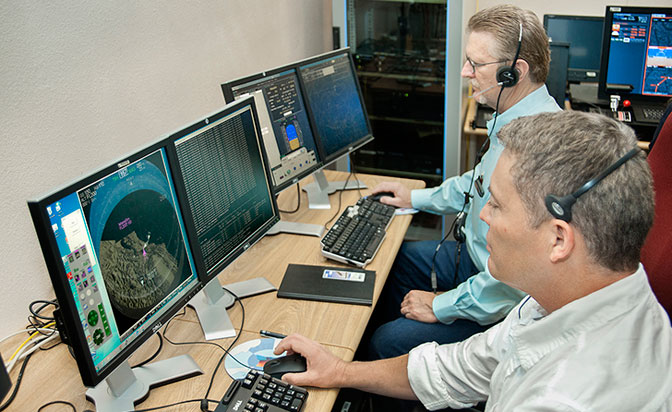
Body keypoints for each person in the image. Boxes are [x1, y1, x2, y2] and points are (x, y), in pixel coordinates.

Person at [274, 110, 672, 411]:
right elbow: (458, 367)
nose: (482, 216)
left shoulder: (561, 398)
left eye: (496, 205)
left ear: (558, 239)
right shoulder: (558, 295)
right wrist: (340, 371)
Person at [366, 4, 561, 361]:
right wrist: (416, 196)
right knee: (398, 261)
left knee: (386, 342)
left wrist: (440, 306)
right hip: (475, 260)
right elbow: (477, 183)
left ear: (512, 73)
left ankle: (396, 372)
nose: (464, 71)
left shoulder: (538, 153)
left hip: (500, 296)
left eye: (476, 64)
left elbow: (511, 283)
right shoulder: (514, 119)